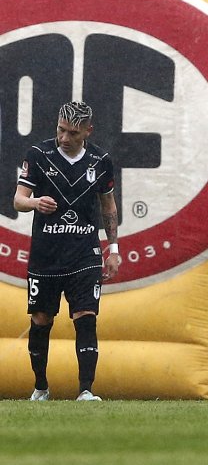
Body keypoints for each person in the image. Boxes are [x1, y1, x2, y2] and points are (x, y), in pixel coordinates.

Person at [15, 101, 121, 401]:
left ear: (88, 131)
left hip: (84, 251)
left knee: (86, 316)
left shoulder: (100, 160)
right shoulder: (38, 155)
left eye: (72, 133)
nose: (64, 138)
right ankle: (40, 387)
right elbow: (18, 200)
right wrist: (36, 203)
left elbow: (108, 206)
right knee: (40, 320)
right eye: (61, 130)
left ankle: (86, 391)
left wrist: (113, 248)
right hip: (46, 253)